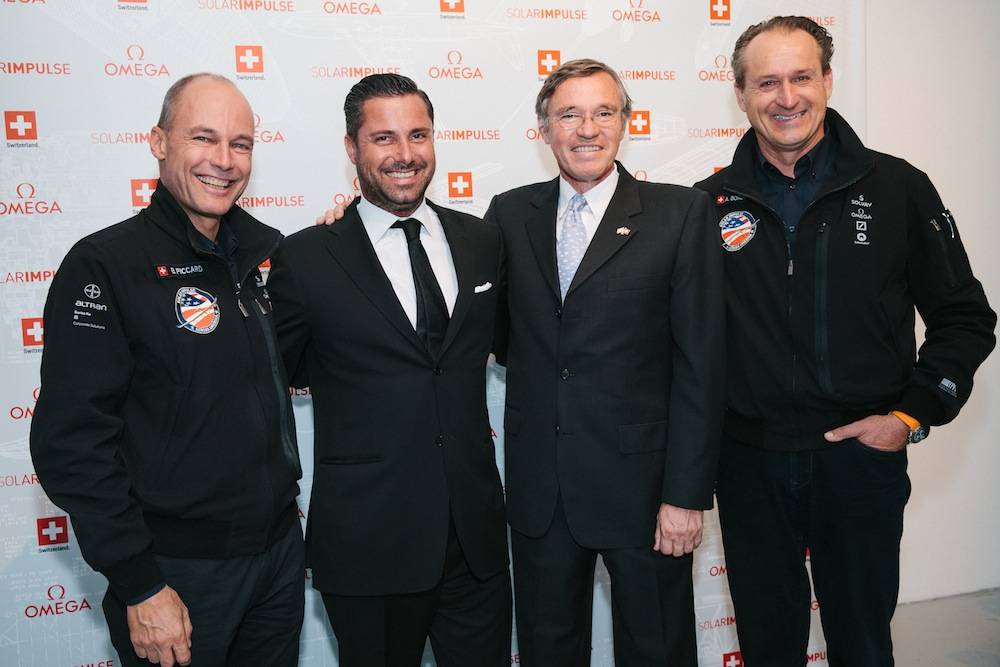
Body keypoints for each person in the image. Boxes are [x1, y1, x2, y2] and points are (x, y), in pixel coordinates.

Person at [694, 16, 996, 666]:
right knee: (767, 648)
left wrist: (910, 415)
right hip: (749, 465)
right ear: (740, 93)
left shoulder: (898, 188)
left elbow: (966, 316)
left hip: (859, 461)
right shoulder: (704, 206)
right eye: (766, 81)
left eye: (802, 76)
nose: (786, 96)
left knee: (862, 645)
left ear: (828, 80)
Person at [30, 73, 304, 667]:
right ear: (158, 141)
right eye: (203, 138)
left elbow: (307, 358)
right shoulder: (106, 264)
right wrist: (140, 583)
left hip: (279, 557)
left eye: (241, 144)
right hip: (175, 574)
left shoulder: (269, 253)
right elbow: (70, 444)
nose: (224, 161)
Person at [266, 73, 511, 667]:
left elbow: (513, 347)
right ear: (352, 148)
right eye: (383, 138)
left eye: (418, 135)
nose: (404, 155)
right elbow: (275, 376)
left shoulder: (481, 241)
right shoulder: (306, 257)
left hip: (474, 541)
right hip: (367, 543)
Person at [486, 59, 725, 666]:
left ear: (625, 124)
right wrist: (355, 222)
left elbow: (702, 363)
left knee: (658, 650)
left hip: (646, 495)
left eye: (603, 112)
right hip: (543, 494)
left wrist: (686, 495)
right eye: (569, 114)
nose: (586, 128)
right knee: (547, 650)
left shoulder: (680, 214)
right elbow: (492, 332)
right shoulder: (509, 215)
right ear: (544, 129)